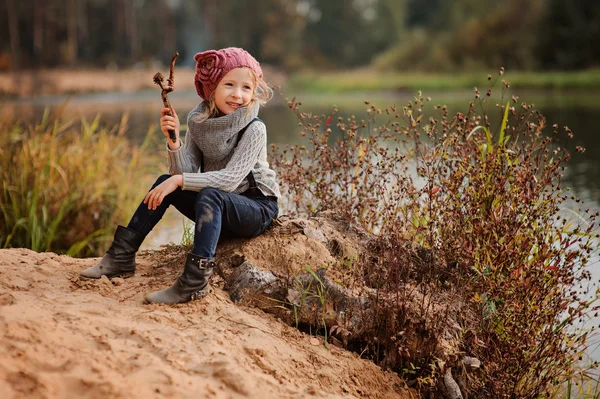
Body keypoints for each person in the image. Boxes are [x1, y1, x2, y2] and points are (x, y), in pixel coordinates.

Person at [80, 47, 280, 304]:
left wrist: (180, 181)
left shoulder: (255, 128)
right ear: (212, 88)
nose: (237, 95)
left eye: (246, 88)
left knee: (208, 194)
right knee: (166, 181)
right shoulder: (199, 122)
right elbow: (184, 173)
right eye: (229, 84)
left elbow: (229, 180)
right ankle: (120, 257)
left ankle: (194, 283)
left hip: (256, 208)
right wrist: (173, 141)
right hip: (219, 207)